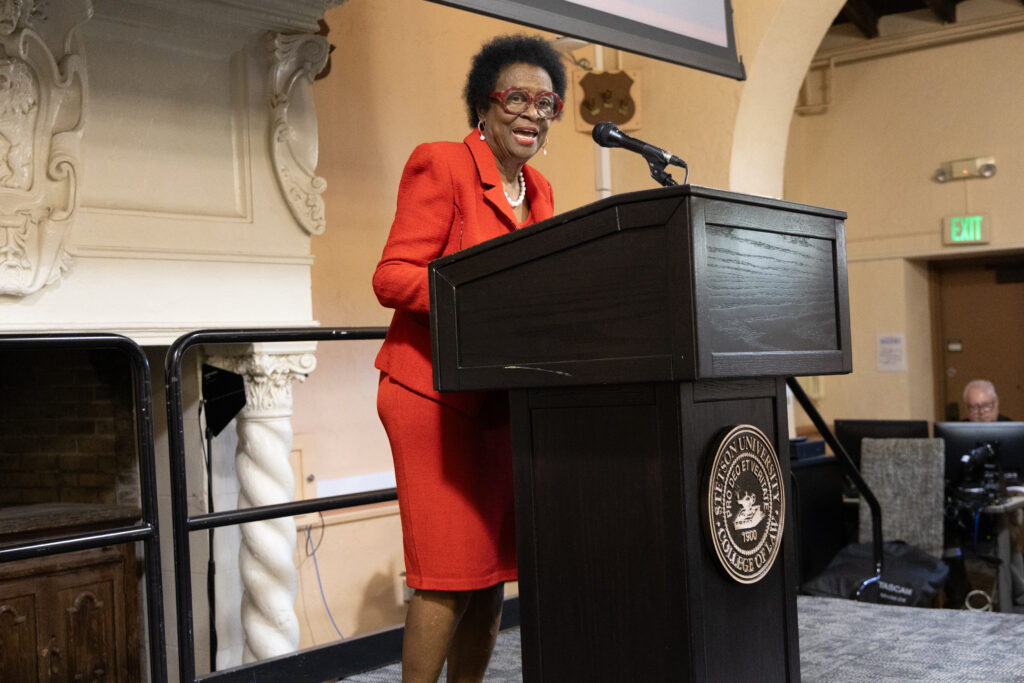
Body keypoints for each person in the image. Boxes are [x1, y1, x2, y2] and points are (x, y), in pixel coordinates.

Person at [372, 35, 566, 683]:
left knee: (490, 573)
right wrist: (479, 303)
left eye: (546, 102)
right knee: (446, 574)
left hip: (501, 404)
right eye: (517, 98)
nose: (532, 112)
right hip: (431, 396)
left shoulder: (541, 191)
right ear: (483, 105)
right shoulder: (443, 163)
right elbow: (392, 275)